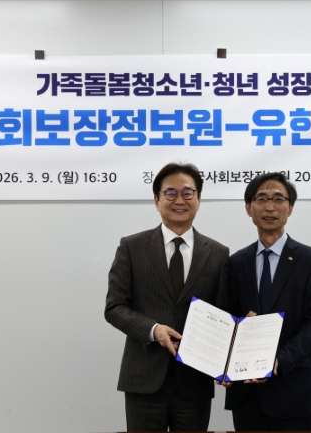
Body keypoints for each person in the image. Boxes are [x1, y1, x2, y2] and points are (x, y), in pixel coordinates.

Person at [104, 162, 229, 431]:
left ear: (198, 198)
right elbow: (114, 307)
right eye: (170, 193)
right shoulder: (132, 247)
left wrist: (228, 357)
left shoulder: (218, 253)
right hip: (144, 380)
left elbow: (222, 313)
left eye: (187, 193)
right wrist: (153, 330)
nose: (179, 200)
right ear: (156, 199)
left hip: (194, 381)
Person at [224, 172, 311, 431]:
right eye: (261, 199)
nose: (270, 207)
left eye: (278, 199)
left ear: (290, 208)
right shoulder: (235, 263)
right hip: (246, 393)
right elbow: (226, 317)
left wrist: (278, 362)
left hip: (293, 389)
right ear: (249, 208)